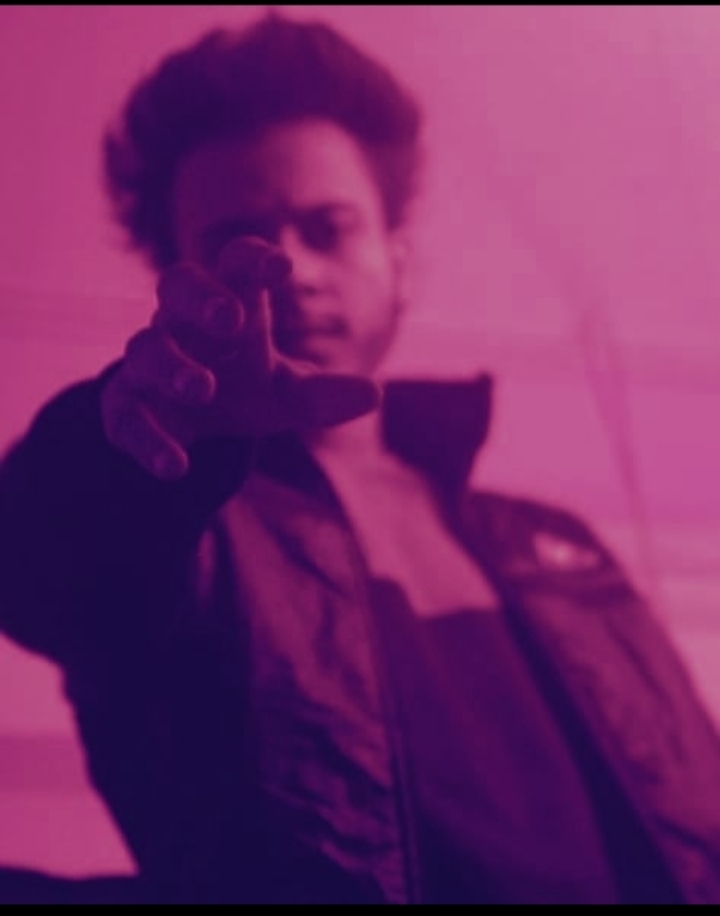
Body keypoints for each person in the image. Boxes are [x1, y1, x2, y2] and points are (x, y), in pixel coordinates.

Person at [1, 11, 719, 905]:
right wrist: (127, 440)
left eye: (327, 229)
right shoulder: (172, 529)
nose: (293, 271)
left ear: (398, 262)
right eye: (235, 246)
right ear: (176, 286)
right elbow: (41, 559)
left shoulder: (559, 544)